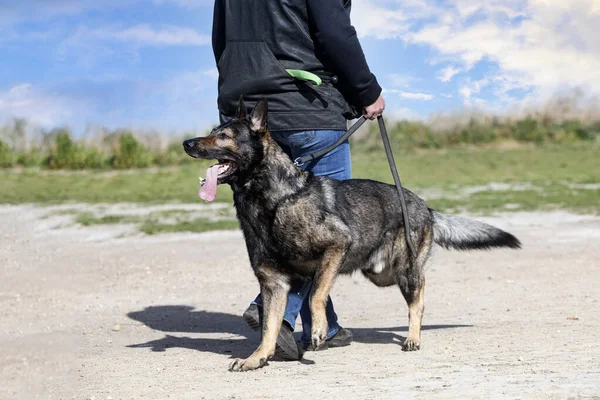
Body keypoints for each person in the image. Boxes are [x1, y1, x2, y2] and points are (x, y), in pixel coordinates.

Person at [211, 0, 385, 360]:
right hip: (306, 107)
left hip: (242, 112)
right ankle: (274, 309)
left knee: (286, 229)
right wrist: (366, 91)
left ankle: (329, 327)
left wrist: (235, 98)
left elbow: (220, 41)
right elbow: (334, 32)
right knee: (328, 228)